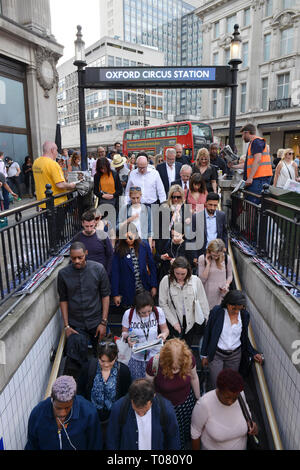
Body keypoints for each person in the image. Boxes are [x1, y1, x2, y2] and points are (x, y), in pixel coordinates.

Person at [57, 241, 111, 379]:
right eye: (73, 258)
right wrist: (67, 326)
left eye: (80, 257)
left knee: (106, 354)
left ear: (86, 254)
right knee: (75, 362)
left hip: (97, 321)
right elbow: (63, 300)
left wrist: (103, 322)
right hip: (76, 324)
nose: (76, 261)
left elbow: (105, 296)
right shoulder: (63, 274)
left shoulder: (98, 269)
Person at [200, 290, 263, 389]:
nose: (237, 312)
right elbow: (208, 333)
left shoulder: (244, 315)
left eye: (239, 309)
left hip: (234, 356)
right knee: (216, 384)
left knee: (229, 384)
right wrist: (204, 355)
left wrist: (253, 352)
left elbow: (244, 337)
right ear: (228, 304)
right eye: (234, 308)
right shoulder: (217, 312)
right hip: (216, 354)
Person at [146, 338, 200, 450]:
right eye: (172, 367)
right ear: (165, 360)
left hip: (186, 405)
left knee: (185, 433)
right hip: (165, 408)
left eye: (178, 367)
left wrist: (198, 399)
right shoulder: (154, 363)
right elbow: (149, 388)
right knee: (169, 435)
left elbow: (194, 378)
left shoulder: (189, 358)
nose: (175, 370)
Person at [25, 375, 103, 450]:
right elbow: (32, 445)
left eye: (67, 408)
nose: (62, 413)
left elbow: (95, 445)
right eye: (58, 408)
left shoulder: (88, 413)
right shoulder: (37, 414)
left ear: (74, 400)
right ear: (52, 398)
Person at [191, 368, 258, 450]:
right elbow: (195, 433)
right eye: (227, 397)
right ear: (218, 389)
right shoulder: (204, 404)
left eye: (234, 398)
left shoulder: (241, 395)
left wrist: (253, 428)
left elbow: (248, 419)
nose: (230, 402)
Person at [106, 378, 180, 450]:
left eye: (145, 410)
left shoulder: (166, 409)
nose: (141, 414)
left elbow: (173, 439)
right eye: (137, 410)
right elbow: (112, 440)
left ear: (153, 396)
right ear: (130, 398)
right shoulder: (118, 408)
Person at [77, 338, 132, 434]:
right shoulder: (88, 368)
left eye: (110, 361)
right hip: (91, 417)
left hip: (114, 418)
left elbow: (126, 396)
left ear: (116, 357)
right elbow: (80, 391)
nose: (106, 365)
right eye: (102, 361)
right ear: (97, 356)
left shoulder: (123, 371)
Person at [159, 256, 209, 347]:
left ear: (188, 271)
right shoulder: (165, 281)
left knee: (187, 350)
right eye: (177, 273)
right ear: (172, 270)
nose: (180, 276)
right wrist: (174, 322)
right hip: (173, 320)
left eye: (183, 274)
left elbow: (203, 302)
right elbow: (163, 304)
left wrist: (207, 320)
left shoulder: (195, 281)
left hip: (191, 321)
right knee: (173, 351)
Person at [121, 291, 169, 380]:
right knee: (138, 384)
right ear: (136, 308)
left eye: (149, 311)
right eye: (143, 312)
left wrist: (164, 335)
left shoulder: (158, 311)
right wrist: (128, 338)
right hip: (136, 358)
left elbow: (165, 329)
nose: (147, 314)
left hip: (154, 357)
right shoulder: (129, 314)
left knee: (154, 383)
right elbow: (124, 332)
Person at [111, 230, 158, 310]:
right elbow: (115, 272)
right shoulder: (119, 249)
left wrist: (154, 285)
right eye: (125, 238)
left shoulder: (144, 245)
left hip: (144, 289)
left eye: (130, 237)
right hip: (127, 290)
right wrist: (115, 294)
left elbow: (152, 266)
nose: (128, 240)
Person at [229, 123, 273, 203]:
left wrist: (250, 178)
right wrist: (234, 166)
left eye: (242, 135)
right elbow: (249, 164)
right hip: (259, 178)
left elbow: (257, 160)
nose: (242, 138)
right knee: (252, 204)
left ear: (247, 132)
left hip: (259, 178)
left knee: (253, 204)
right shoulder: (254, 142)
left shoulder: (256, 141)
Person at [32, 141, 76, 208]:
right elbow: (60, 184)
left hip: (42, 202)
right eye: (56, 150)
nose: (57, 153)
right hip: (56, 203)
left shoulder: (36, 162)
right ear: (52, 150)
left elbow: (46, 176)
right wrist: (71, 185)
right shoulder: (53, 164)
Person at [73, 209, 113, 275]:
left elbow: (110, 255)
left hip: (101, 274)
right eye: (87, 226)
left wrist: (107, 273)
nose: (89, 229)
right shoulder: (77, 238)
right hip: (84, 275)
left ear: (94, 223)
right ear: (82, 223)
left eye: (91, 226)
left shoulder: (103, 236)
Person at [191, 192, 228, 262]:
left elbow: (224, 233)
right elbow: (192, 238)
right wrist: (194, 256)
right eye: (210, 205)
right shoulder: (196, 217)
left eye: (215, 205)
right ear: (206, 203)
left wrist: (225, 248)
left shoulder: (222, 215)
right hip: (202, 252)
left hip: (218, 252)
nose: (212, 208)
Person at [198, 238, 233, 310]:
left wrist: (227, 285)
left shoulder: (227, 258)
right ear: (209, 251)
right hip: (207, 295)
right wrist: (208, 264)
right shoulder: (202, 258)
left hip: (222, 294)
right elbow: (202, 280)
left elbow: (230, 276)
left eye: (218, 255)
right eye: (214, 255)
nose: (216, 257)